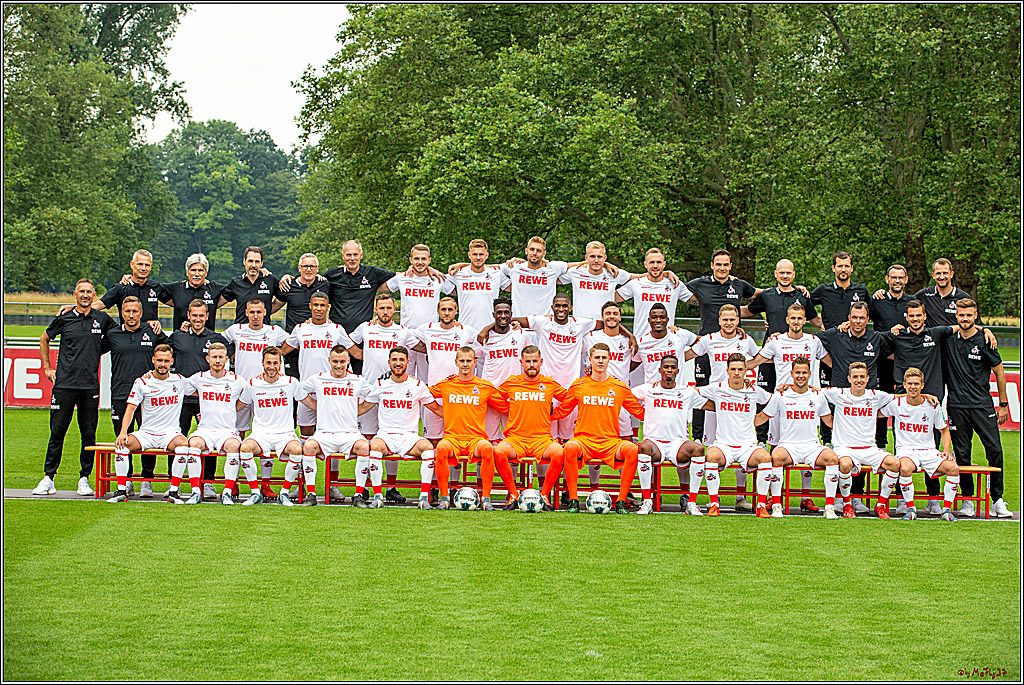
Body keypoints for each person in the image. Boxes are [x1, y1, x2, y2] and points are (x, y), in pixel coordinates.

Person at [34, 279, 116, 498]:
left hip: (89, 386)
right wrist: (47, 368)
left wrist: (98, 348)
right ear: (75, 294)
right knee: (57, 432)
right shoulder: (65, 317)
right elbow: (44, 338)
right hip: (64, 385)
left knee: (88, 434)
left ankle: (84, 478)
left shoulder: (102, 319)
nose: (85, 295)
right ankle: (48, 478)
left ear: (94, 295)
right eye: (82, 291)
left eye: (89, 292)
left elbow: (118, 335)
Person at [745, 303, 830, 511]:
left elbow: (831, 362)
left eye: (800, 318)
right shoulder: (776, 341)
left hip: (806, 400)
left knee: (808, 444)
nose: (796, 322)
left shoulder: (813, 341)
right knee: (776, 449)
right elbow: (756, 361)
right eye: (793, 318)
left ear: (805, 320)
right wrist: (736, 373)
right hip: (782, 400)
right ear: (787, 320)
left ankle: (806, 497)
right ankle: (776, 496)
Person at [816, 301, 893, 512]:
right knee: (843, 448)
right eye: (854, 317)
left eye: (862, 318)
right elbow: (810, 340)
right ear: (848, 318)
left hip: (867, 400)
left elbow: (896, 351)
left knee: (865, 443)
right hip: (841, 399)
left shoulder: (877, 338)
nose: (858, 321)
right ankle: (839, 498)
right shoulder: (836, 334)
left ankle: (857, 497)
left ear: (868, 319)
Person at [551, 343, 646, 514]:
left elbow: (639, 412)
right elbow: (563, 411)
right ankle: (573, 499)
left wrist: (660, 408)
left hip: (610, 442)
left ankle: (621, 501)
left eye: (604, 357)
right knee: (570, 447)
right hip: (584, 441)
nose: (600, 361)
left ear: (609, 360)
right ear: (590, 359)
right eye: (597, 357)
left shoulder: (619, 387)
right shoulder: (579, 385)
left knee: (632, 449)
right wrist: (540, 412)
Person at [684, 303, 761, 509]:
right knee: (713, 449)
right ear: (719, 321)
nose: (728, 323)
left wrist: (746, 375)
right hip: (715, 398)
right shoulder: (709, 339)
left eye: (732, 319)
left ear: (738, 321)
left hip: (737, 400)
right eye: (725, 319)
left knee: (742, 445)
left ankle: (740, 497)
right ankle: (713, 498)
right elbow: (686, 356)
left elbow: (761, 358)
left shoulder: (746, 340)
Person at [346, 292, 420, 501]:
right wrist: (360, 355)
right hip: (370, 390)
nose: (385, 312)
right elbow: (348, 343)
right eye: (382, 308)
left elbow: (422, 347)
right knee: (369, 438)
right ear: (375, 310)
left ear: (394, 310)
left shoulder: (402, 331)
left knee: (392, 438)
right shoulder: (365, 328)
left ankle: (391, 488)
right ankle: (365, 486)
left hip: (395, 391)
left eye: (389, 308)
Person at [942, 298, 1011, 518]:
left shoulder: (985, 340)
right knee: (962, 454)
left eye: (969, 315)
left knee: (995, 450)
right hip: (957, 406)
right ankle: (968, 500)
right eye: (961, 315)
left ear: (975, 316)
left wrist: (1003, 404)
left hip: (982, 405)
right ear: (956, 316)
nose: (965, 319)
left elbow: (999, 372)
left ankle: (997, 500)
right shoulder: (949, 340)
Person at [741, 258, 822, 446]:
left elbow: (816, 320)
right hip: (771, 352)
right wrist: (722, 313)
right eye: (782, 273)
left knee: (793, 399)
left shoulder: (802, 296)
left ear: (793, 275)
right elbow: (746, 311)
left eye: (788, 273)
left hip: (794, 355)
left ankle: (800, 440)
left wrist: (840, 330)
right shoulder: (767, 295)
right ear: (776, 274)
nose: (785, 276)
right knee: (766, 396)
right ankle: (762, 440)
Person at [429, 346, 518, 510]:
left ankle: (486, 499)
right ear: (456, 362)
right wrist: (439, 410)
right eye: (462, 361)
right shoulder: (446, 384)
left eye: (468, 361)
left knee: (487, 448)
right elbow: (423, 394)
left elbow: (507, 407)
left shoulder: (484, 386)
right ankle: (444, 499)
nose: (465, 364)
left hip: (475, 439)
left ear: (475, 362)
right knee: (441, 448)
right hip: (452, 438)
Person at [753, 357, 840, 519]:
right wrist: (737, 418)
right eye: (798, 372)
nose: (801, 376)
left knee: (832, 458)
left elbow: (829, 422)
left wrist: (853, 421)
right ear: (791, 374)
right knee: (776, 456)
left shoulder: (818, 396)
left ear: (810, 374)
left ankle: (829, 507)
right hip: (788, 445)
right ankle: (777, 505)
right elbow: (761, 418)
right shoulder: (780, 395)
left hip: (812, 446)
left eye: (804, 373)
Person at [220, 299, 288, 497]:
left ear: (265, 312)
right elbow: (215, 342)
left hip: (266, 390)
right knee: (237, 437)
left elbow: (294, 342)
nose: (256, 316)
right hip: (242, 391)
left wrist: (278, 367)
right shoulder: (235, 330)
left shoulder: (274, 331)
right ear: (246, 313)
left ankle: (265, 484)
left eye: (259, 312)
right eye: (252, 312)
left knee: (266, 434)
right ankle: (233, 482)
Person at [691, 354, 773, 518]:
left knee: (765, 458)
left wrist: (761, 418)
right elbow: (693, 392)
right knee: (711, 456)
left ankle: (761, 506)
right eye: (733, 369)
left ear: (746, 371)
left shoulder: (754, 390)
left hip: (747, 446)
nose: (736, 373)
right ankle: (714, 504)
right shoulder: (718, 388)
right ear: (727, 370)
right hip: (724, 445)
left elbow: (775, 400)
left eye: (740, 369)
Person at [233, 347, 317, 505]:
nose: (271, 367)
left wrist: (336, 409)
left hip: (285, 434)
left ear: (280, 364)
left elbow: (311, 404)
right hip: (261, 434)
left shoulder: (291, 383)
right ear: (262, 363)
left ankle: (284, 493)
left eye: (275, 363)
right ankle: (255, 492)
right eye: (268, 363)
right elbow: (237, 407)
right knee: (245, 448)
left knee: (297, 449)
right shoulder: (252, 384)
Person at [107, 345, 190, 504]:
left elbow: (205, 389)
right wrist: (123, 432)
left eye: (166, 361)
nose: (162, 364)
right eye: (159, 360)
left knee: (183, 444)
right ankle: (121, 490)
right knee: (122, 444)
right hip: (147, 433)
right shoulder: (142, 381)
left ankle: (173, 491)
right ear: (153, 360)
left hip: (170, 433)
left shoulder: (180, 381)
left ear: (172, 361)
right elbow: (131, 408)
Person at [632, 303, 697, 502]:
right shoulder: (642, 342)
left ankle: (685, 494)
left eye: (662, 317)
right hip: (652, 399)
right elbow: (630, 365)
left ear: (668, 320)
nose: (658, 320)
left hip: (677, 398)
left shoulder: (680, 335)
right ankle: (651, 495)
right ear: (649, 320)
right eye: (655, 317)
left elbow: (703, 344)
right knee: (650, 448)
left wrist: (682, 358)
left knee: (682, 445)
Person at [361, 346, 441, 509]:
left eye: (401, 360)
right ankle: (378, 496)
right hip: (386, 435)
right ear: (389, 362)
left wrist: (462, 417)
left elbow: (437, 409)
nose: (398, 363)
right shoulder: (380, 384)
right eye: (395, 360)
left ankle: (424, 497)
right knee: (375, 446)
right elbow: (363, 407)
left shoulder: (417, 385)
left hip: (409, 437)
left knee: (428, 448)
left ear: (407, 362)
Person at [104, 296, 169, 497]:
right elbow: (91, 350)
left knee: (148, 436)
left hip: (149, 395)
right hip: (120, 393)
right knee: (123, 436)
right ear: (122, 313)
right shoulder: (112, 334)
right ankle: (127, 479)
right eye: (127, 311)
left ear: (141, 313)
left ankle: (147, 479)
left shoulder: (152, 331)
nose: (131, 315)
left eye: (135, 311)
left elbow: (170, 351)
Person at [821, 363, 903, 519]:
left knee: (894, 464)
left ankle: (880, 505)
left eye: (862, 377)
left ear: (867, 379)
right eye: (855, 377)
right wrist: (787, 387)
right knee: (845, 464)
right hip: (844, 448)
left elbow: (900, 397)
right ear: (849, 379)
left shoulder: (875, 396)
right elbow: (813, 391)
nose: (859, 380)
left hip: (868, 448)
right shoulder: (839, 394)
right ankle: (847, 504)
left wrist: (926, 396)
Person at [494, 346, 570, 510]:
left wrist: (554, 414)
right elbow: (494, 397)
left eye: (535, 361)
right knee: (499, 452)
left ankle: (544, 495)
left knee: (559, 453)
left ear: (541, 362)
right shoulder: (512, 382)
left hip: (541, 439)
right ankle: (513, 495)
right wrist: (510, 410)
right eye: (528, 361)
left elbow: (569, 398)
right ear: (521, 362)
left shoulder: (548, 383)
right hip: (516, 439)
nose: (531, 365)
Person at [879, 367, 960, 521]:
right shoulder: (897, 403)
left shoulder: (932, 405)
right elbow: (876, 413)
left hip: (928, 450)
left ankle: (946, 510)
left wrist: (947, 450)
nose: (913, 387)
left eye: (916, 384)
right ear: (904, 384)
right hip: (906, 451)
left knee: (953, 468)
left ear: (922, 385)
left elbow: (944, 430)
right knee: (905, 468)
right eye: (909, 383)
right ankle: (911, 509)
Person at [168, 299, 228, 498]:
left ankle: (208, 482)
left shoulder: (216, 338)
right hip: (182, 400)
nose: (198, 319)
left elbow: (226, 359)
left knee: (209, 440)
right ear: (188, 316)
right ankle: (173, 481)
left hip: (208, 400)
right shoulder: (177, 336)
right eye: (194, 315)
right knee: (177, 440)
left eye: (201, 315)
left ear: (207, 316)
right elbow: (163, 356)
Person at [810, 251, 871, 446]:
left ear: (851, 268)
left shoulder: (861, 290)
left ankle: (857, 439)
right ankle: (827, 439)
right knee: (828, 396)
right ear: (834, 268)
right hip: (830, 349)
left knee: (854, 397)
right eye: (839, 266)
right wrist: (818, 321)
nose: (843, 269)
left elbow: (872, 311)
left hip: (853, 349)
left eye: (846, 266)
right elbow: (804, 304)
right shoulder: (823, 290)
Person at [298, 345, 371, 507]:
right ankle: (311, 494)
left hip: (350, 433)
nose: (338, 365)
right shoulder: (319, 379)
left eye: (342, 362)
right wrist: (314, 405)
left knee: (364, 446)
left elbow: (373, 396)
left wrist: (359, 410)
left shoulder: (357, 380)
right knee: (308, 446)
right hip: (324, 433)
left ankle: (358, 495)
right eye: (335, 361)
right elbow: (297, 389)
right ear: (329, 361)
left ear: (348, 361)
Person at [633, 355, 706, 515]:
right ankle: (647, 501)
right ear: (660, 370)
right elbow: (624, 396)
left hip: (677, 443)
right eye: (666, 367)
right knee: (643, 447)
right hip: (654, 442)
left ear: (678, 371)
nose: (669, 370)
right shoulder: (648, 389)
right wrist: (640, 413)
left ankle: (691, 502)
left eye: (673, 367)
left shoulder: (687, 392)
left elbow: (711, 404)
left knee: (699, 449)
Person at [183, 342, 245, 502]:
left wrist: (231, 409)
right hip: (205, 430)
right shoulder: (199, 378)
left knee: (234, 446)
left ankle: (227, 492)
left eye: (221, 357)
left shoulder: (237, 380)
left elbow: (252, 393)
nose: (217, 360)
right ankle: (196, 492)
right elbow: (174, 384)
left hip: (227, 430)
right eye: (214, 357)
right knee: (194, 444)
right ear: (208, 359)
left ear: (226, 360)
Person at [383, 244, 455, 380]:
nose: (420, 262)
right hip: (406, 336)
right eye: (416, 259)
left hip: (428, 338)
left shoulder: (438, 279)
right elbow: (377, 288)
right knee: (403, 378)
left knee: (427, 380)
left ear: (429, 260)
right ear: (411, 260)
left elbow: (462, 292)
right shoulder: (402, 278)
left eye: (423, 259)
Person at [476, 296, 530, 442]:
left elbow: (530, 358)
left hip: (512, 395)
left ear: (511, 315)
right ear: (493, 315)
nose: (503, 316)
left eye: (506, 312)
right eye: (499, 313)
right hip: (491, 394)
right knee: (488, 441)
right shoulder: (484, 337)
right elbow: (470, 357)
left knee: (512, 441)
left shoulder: (521, 334)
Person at [273, 252, 331, 379]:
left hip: (316, 343)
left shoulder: (324, 285)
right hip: (293, 343)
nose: (309, 269)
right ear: (299, 268)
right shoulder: (289, 285)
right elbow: (274, 307)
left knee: (317, 379)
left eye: (312, 266)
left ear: (317, 268)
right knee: (293, 381)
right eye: (305, 266)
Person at [615, 247, 692, 339]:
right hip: (641, 341)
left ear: (664, 264)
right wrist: (605, 265)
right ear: (645, 264)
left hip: (666, 341)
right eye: (651, 262)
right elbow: (609, 297)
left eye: (659, 262)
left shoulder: (675, 284)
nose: (655, 266)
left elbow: (701, 302)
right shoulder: (636, 284)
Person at [447, 239, 511, 332]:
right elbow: (438, 280)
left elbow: (517, 288)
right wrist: (430, 270)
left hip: (490, 330)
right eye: (474, 254)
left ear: (486, 255)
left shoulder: (496, 274)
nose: (478, 257)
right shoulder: (458, 273)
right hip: (464, 330)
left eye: (481, 254)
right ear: (469, 255)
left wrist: (522, 263)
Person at [559, 241, 632, 319]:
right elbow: (552, 277)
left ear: (605, 258)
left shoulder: (614, 272)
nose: (596, 260)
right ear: (586, 258)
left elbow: (638, 279)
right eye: (592, 256)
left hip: (605, 324)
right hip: (580, 324)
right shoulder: (575, 272)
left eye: (599, 257)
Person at [96, 249, 165, 328]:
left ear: (150, 267)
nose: (143, 268)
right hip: (128, 334)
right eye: (140, 264)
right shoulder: (121, 288)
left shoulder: (156, 287)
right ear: (132, 264)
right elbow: (97, 306)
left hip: (150, 334)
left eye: (147, 265)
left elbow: (175, 300)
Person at [218, 246, 283, 326]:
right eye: (250, 261)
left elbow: (283, 297)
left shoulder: (270, 280)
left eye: (257, 262)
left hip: (263, 330)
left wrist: (267, 311)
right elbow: (217, 303)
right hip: (241, 331)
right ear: (244, 261)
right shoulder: (236, 283)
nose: (253, 265)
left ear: (261, 263)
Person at [161, 253, 226, 331]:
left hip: (207, 338)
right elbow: (154, 288)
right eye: (193, 270)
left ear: (206, 273)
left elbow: (234, 288)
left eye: (200, 270)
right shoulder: (176, 288)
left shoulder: (214, 289)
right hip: (181, 337)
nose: (197, 274)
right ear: (187, 272)